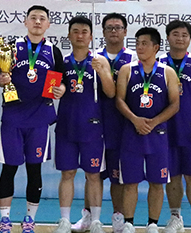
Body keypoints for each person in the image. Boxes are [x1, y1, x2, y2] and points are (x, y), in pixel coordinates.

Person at [0, 5, 65, 233]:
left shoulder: (53, 51)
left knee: (34, 170)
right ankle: (5, 219)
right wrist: (1, 79)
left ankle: (29, 219)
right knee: (9, 168)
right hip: (13, 117)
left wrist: (61, 89)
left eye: (42, 18)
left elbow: (61, 81)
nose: (37, 22)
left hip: (39, 119)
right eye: (33, 18)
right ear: (25, 21)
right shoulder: (11, 47)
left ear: (48, 24)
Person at [72, 13, 136, 233]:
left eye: (118, 27)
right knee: (93, 174)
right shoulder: (93, 57)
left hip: (122, 126)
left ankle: (118, 218)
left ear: (125, 31)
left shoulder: (134, 58)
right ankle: (88, 217)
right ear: (103, 32)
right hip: (94, 124)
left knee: (118, 177)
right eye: (109, 28)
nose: (113, 31)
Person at [115, 27, 180, 233]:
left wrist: (153, 122)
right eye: (137, 43)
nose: (140, 47)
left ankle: (152, 223)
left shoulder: (167, 72)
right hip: (132, 133)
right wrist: (135, 120)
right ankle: (129, 223)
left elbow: (175, 104)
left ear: (156, 47)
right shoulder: (127, 70)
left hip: (157, 134)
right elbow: (119, 100)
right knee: (130, 182)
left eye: (144, 43)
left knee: (157, 182)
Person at [53, 16, 114, 233]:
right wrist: (58, 89)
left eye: (84, 32)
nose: (80, 35)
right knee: (67, 173)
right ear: (69, 35)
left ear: (91, 36)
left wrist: (103, 72)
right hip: (66, 125)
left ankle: (95, 220)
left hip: (92, 126)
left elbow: (111, 92)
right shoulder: (61, 62)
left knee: (94, 174)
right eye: (75, 31)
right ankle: (64, 220)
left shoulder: (100, 60)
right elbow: (53, 88)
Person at [158, 21, 191, 233]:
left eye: (184, 35)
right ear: (168, 37)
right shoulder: (158, 62)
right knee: (172, 176)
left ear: (190, 38)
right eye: (175, 34)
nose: (180, 38)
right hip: (165, 129)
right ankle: (175, 218)